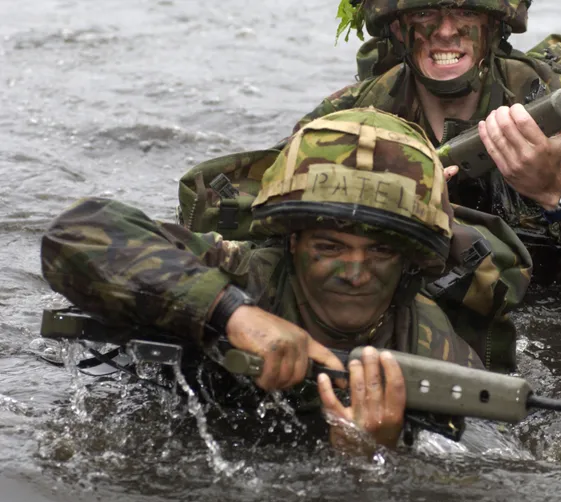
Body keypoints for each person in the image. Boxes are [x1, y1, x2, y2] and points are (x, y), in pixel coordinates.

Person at [40, 107, 531, 450]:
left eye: (380, 251)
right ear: (292, 242)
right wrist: (231, 313)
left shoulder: (433, 350)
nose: (355, 273)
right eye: (329, 246)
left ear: (409, 262)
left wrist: (373, 459)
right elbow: (77, 233)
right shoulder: (240, 273)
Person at [287, 0, 561, 308]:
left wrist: (557, 192)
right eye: (424, 13)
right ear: (396, 28)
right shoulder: (347, 122)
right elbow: (264, 236)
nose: (446, 30)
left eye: (465, 12)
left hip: (558, 317)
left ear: (494, 24)